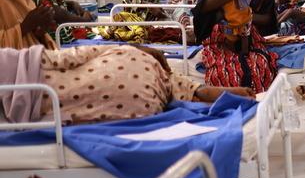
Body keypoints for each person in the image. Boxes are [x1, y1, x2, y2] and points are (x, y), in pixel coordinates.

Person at [0, 44, 251, 126]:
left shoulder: (128, 53)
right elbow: (200, 93)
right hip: (140, 107)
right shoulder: (161, 75)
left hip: (44, 94)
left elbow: (63, 57)